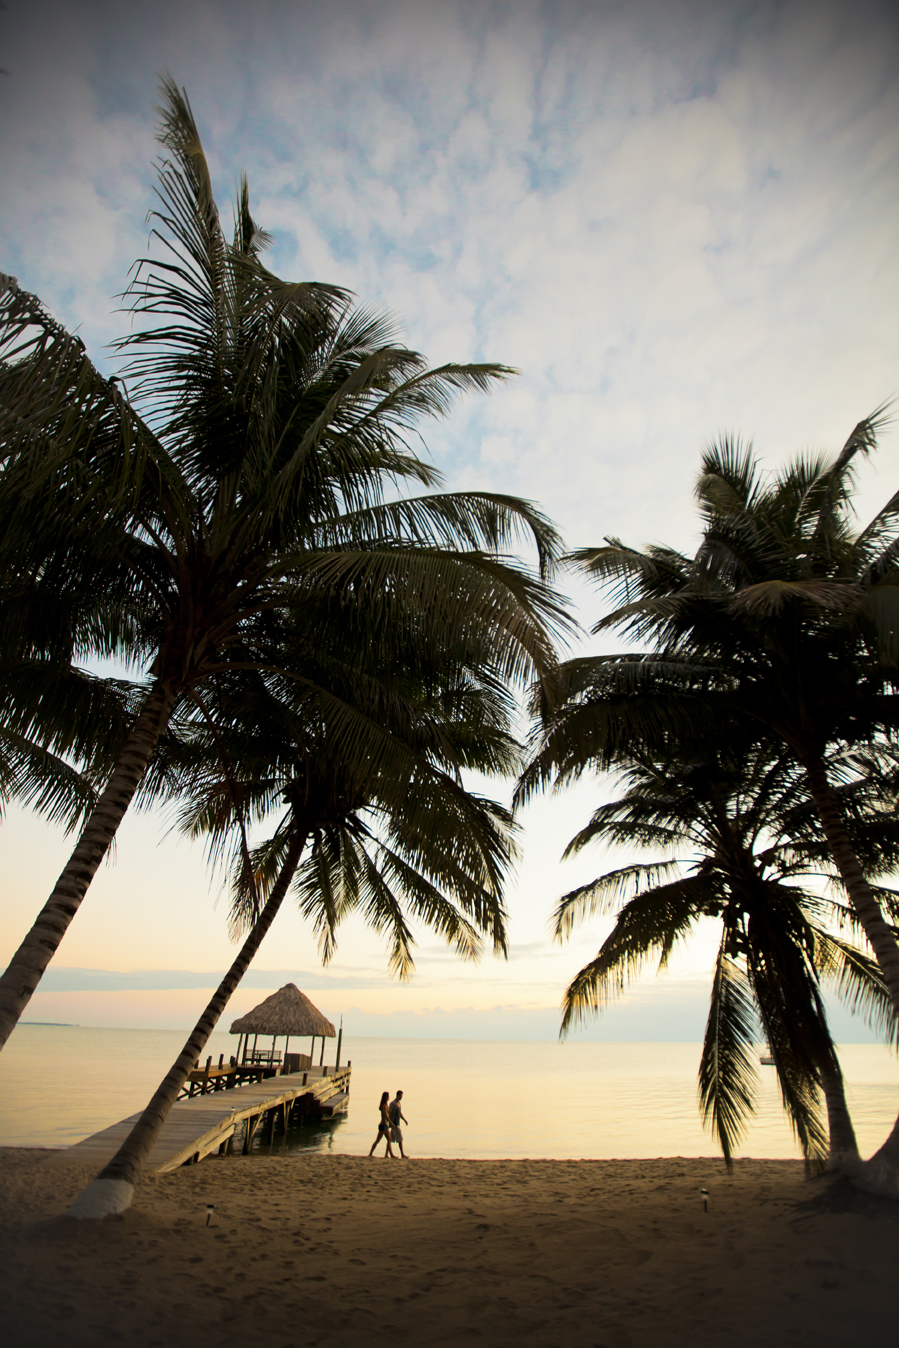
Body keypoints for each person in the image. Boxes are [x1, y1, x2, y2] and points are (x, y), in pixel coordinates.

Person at [368, 1090, 396, 1158]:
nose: (389, 1097)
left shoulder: (386, 1105)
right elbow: (385, 1116)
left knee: (389, 1140)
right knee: (378, 1140)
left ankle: (388, 1154)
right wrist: (391, 1123)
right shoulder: (384, 1106)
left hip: (385, 1125)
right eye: (388, 1096)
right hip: (383, 1125)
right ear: (386, 1097)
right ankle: (370, 1153)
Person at [388, 1090, 409, 1158]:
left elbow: (399, 1113)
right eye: (400, 1096)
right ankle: (402, 1154)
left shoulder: (399, 1103)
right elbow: (389, 1112)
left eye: (402, 1096)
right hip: (394, 1124)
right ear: (397, 1095)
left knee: (390, 1139)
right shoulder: (393, 1103)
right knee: (399, 1139)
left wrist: (404, 1120)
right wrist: (390, 1123)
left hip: (397, 1124)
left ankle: (387, 1154)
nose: (401, 1097)